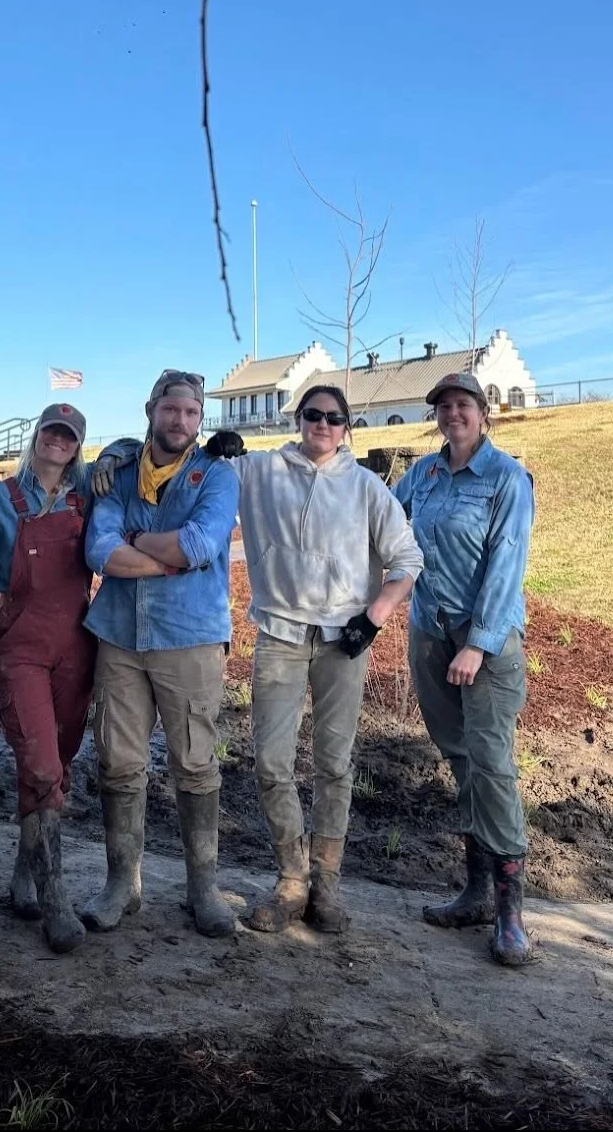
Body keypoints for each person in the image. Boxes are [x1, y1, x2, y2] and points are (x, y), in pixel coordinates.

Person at [198, 386, 424, 934]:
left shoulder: (367, 488)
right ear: (298, 419)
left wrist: (373, 617)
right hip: (279, 634)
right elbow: (194, 469)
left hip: (343, 638)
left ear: (348, 426)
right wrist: (213, 448)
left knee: (334, 762)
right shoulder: (261, 472)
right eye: (313, 415)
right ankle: (291, 878)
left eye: (334, 418)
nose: (323, 424)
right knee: (271, 762)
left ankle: (326, 884)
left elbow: (406, 559)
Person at [81, 369, 240, 938]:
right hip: (120, 637)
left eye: (192, 413)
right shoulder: (118, 475)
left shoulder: (216, 477)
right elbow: (99, 549)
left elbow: (201, 543)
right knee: (118, 762)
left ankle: (203, 889)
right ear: (151, 410)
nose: (180, 421)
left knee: (195, 761)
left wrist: (137, 543)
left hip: (190, 636)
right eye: (171, 410)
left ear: (201, 419)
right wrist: (164, 555)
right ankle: (122, 884)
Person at [393, 371, 536, 967]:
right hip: (429, 633)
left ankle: (509, 910)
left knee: (492, 764)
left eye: (463, 405)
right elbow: (382, 520)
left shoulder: (506, 478)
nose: (453, 413)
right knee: (458, 757)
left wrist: (477, 643)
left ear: (483, 413)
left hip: (487, 644)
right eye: (444, 406)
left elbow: (507, 564)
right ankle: (475, 890)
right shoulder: (422, 475)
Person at [0, 402, 95, 955]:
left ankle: (21, 879)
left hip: (77, 644)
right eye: (51, 433)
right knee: (41, 761)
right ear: (36, 437)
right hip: (22, 644)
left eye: (69, 436)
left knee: (61, 762)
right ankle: (55, 899)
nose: (59, 442)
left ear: (78, 445)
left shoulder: (87, 498)